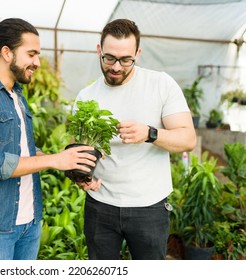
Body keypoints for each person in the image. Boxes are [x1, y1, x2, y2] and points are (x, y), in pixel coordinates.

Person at [0, 15, 97, 260]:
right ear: (7, 53)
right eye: (31, 54)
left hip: (30, 221)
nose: (38, 62)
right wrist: (54, 161)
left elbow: (26, 150)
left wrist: (69, 166)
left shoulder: (17, 95)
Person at [74, 19, 197, 260]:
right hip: (100, 205)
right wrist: (81, 176)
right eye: (109, 58)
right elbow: (78, 148)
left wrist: (150, 134)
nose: (116, 67)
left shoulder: (161, 84)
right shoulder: (86, 96)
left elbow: (188, 138)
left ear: (137, 54)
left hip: (148, 207)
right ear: (98, 50)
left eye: (126, 60)